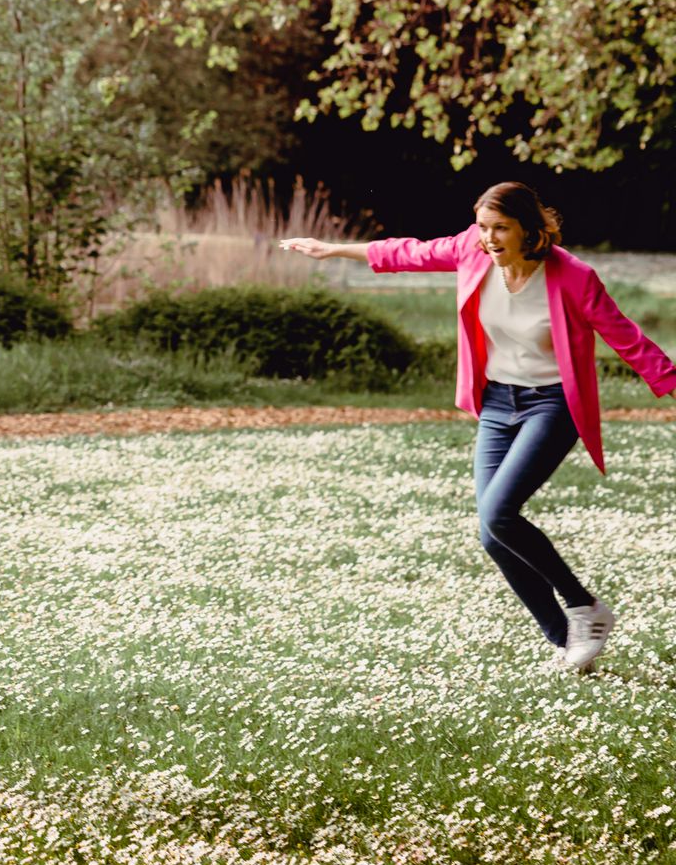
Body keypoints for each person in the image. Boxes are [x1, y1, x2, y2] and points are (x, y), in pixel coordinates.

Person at [282, 182, 676, 671]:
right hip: (497, 404)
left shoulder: (572, 276)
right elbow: (410, 252)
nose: (488, 238)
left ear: (528, 230)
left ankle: (584, 608)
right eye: (483, 227)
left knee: (499, 513)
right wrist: (334, 250)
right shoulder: (471, 250)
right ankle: (566, 643)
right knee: (493, 533)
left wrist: (670, 381)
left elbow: (626, 336)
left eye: (500, 229)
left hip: (551, 405)